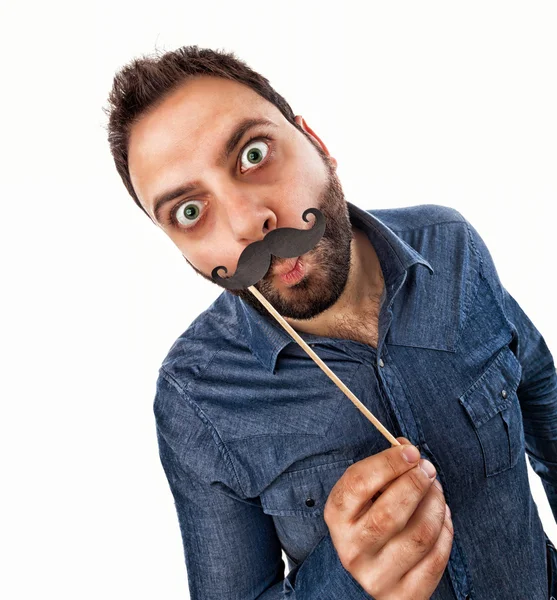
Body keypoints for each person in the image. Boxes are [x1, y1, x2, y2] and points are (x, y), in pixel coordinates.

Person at [104, 45, 557, 599]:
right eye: (189, 212)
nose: (249, 223)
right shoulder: (195, 397)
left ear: (316, 142)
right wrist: (344, 582)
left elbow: (537, 385)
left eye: (252, 154)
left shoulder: (450, 244)